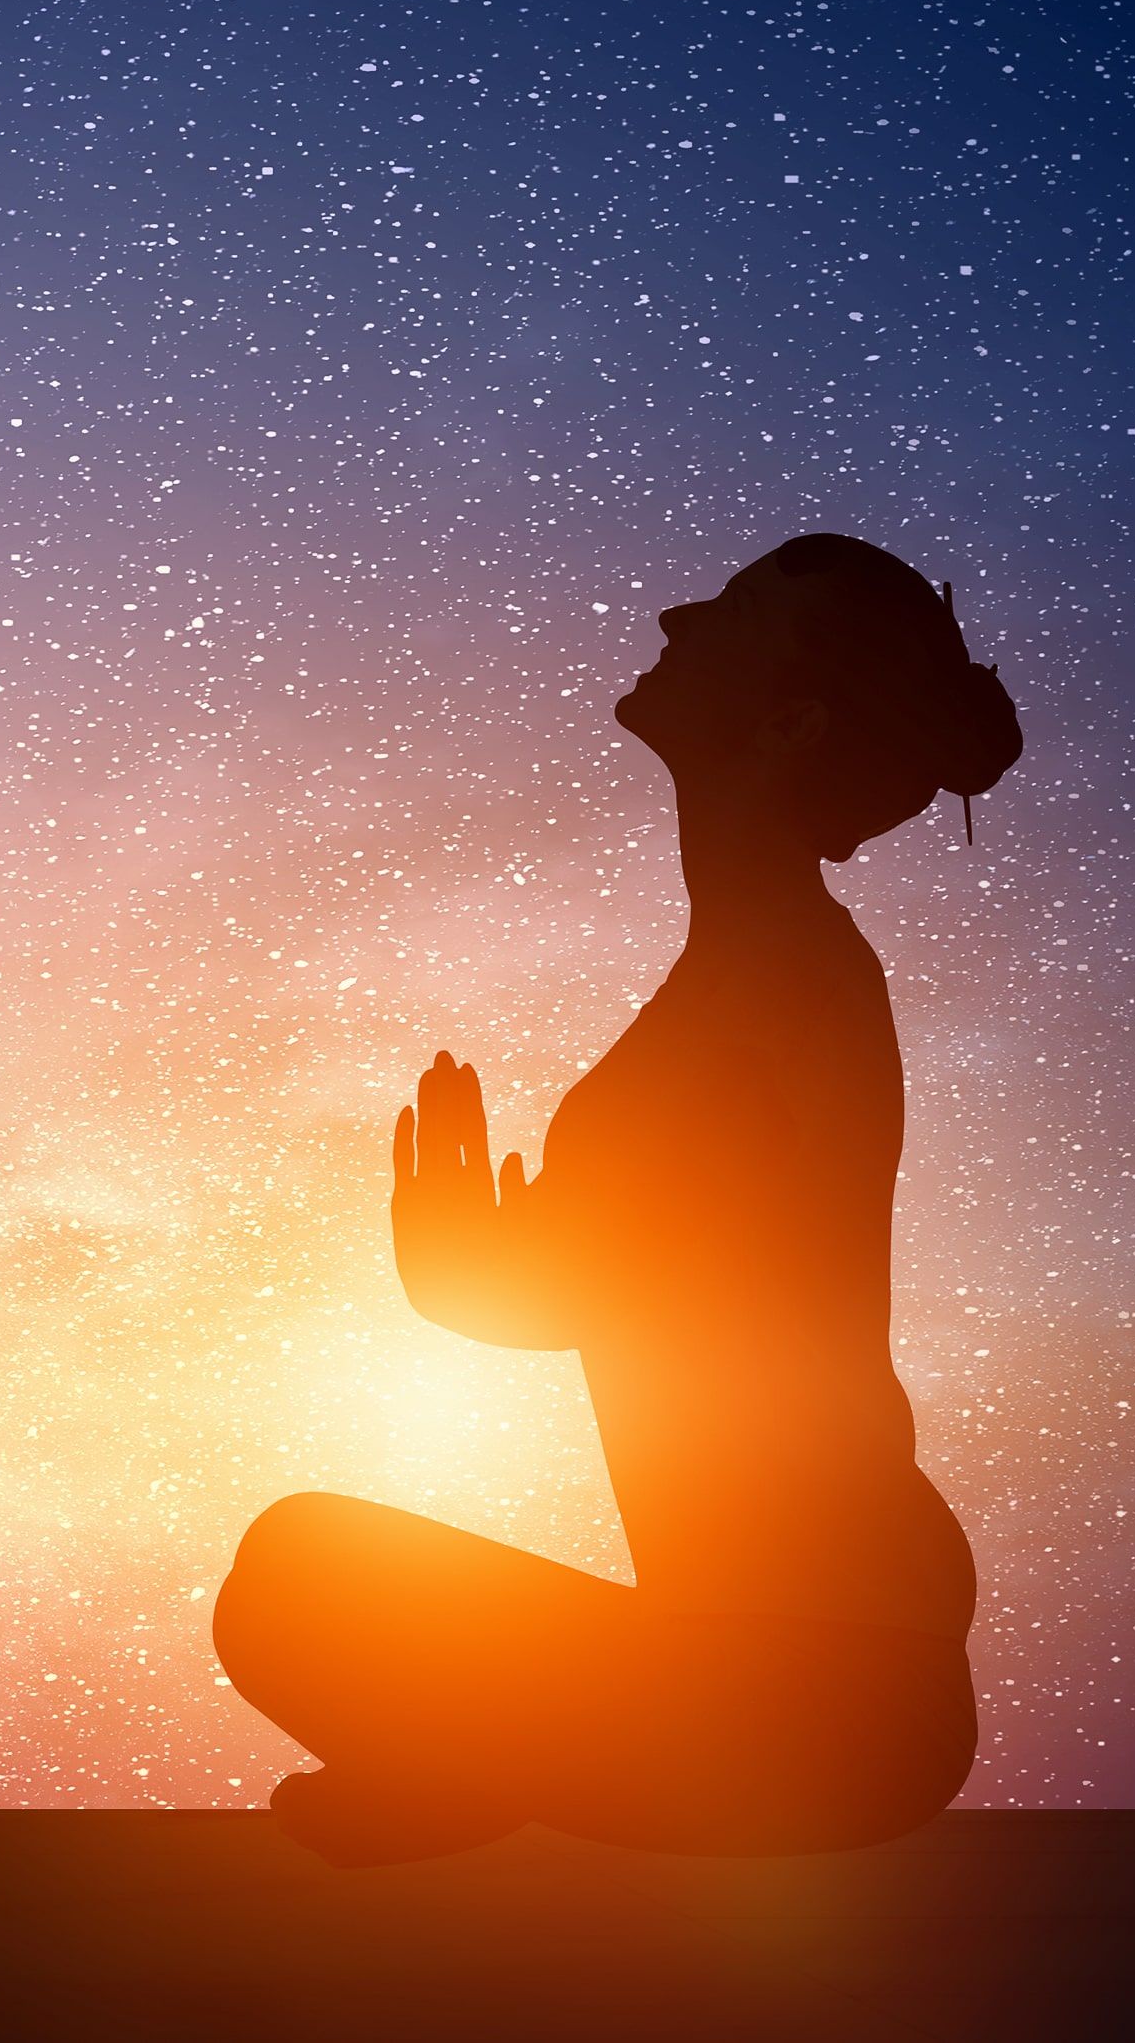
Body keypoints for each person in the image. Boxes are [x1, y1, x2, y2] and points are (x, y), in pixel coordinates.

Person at [212, 533, 1024, 1860]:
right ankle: (491, 1764)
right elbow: (682, 1283)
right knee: (295, 1572)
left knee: (296, 1584)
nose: (676, 610)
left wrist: (479, 1275)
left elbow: (658, 1282)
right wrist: (506, 1270)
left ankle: (485, 1769)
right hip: (805, 1673)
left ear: (788, 719)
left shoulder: (779, 982)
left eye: (738, 611)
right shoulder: (757, 966)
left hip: (819, 1695)